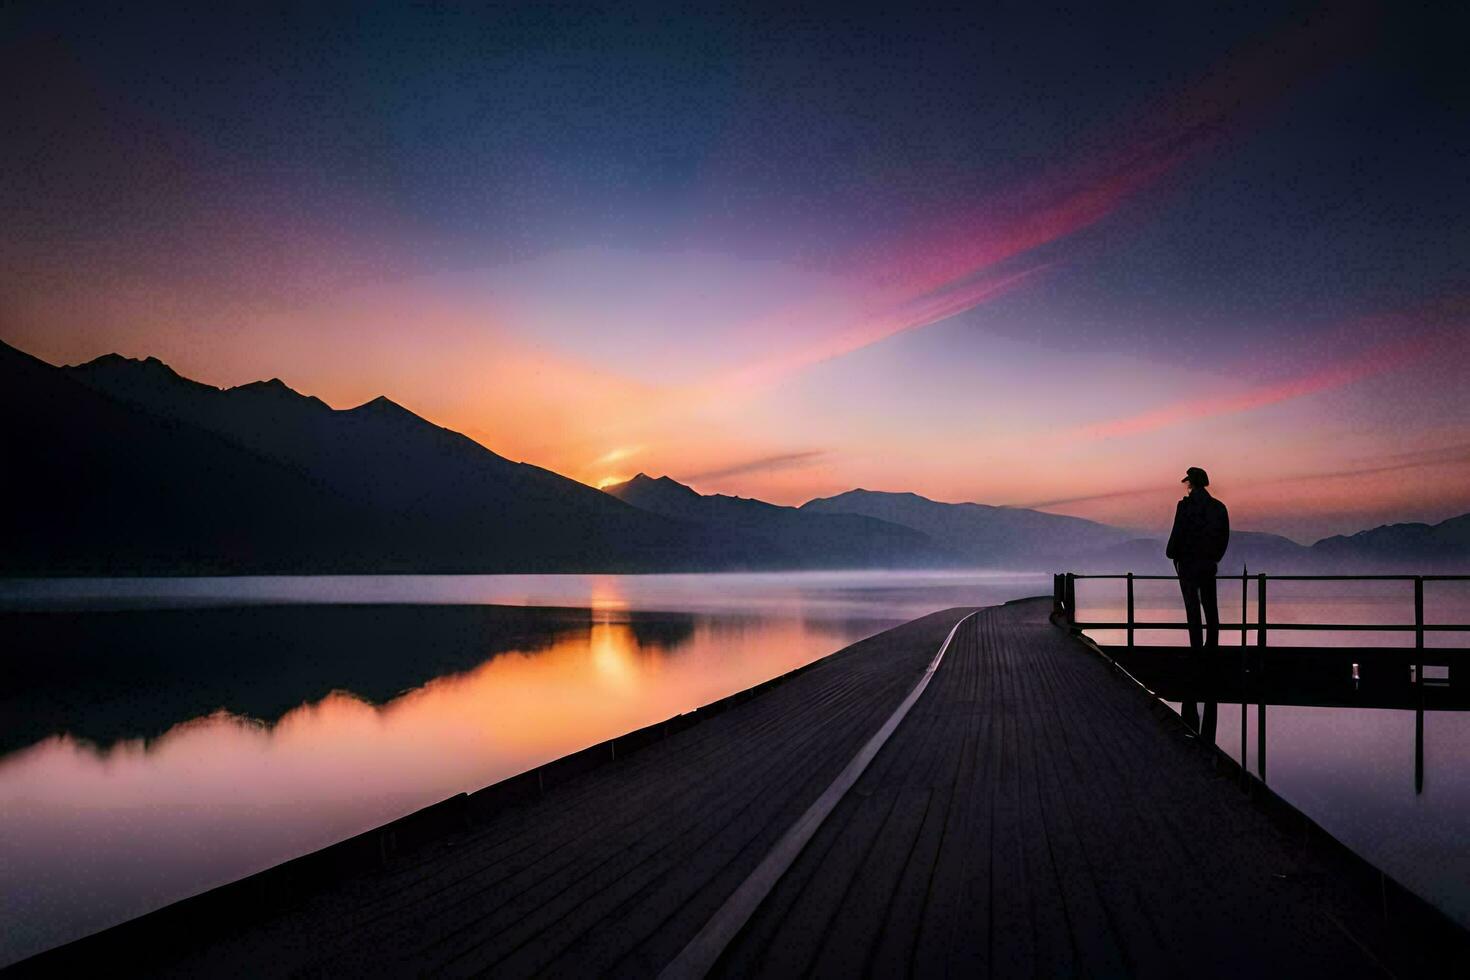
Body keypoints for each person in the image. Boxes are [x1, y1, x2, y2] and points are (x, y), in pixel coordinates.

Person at [1165, 466, 1229, 650]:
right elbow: (1223, 537)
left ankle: (1196, 649)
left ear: (1190, 483)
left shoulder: (1185, 507)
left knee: (1192, 610)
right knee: (1211, 609)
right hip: (1208, 564)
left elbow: (1177, 533)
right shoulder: (1218, 508)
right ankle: (1211, 649)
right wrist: (1214, 558)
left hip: (1187, 565)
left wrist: (1172, 553)